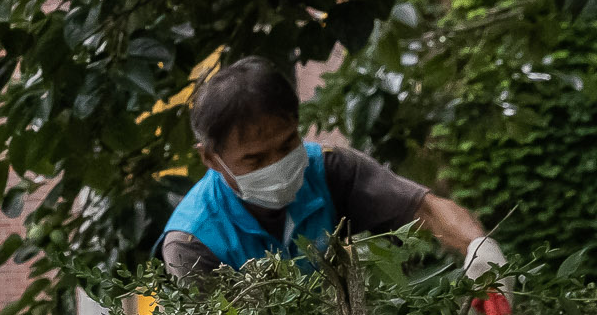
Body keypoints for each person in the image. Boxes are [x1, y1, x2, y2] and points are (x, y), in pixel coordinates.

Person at [162, 55, 504, 285]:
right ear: (209, 158)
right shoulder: (192, 243)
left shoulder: (328, 169)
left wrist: (478, 248)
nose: (277, 166)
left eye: (287, 144)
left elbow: (425, 209)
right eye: (255, 159)